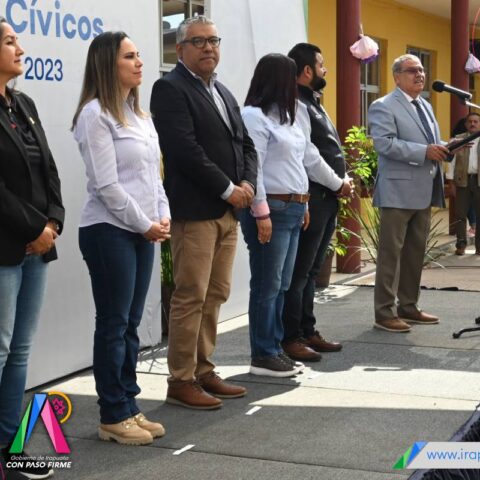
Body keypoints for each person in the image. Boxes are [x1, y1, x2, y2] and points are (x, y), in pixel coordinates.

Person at [150, 16, 257, 410]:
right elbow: (184, 150)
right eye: (198, 41)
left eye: (213, 40)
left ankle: (203, 369)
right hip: (195, 212)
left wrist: (247, 183)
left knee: (216, 294)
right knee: (190, 296)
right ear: (179, 49)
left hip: (228, 212)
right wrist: (229, 189)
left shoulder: (223, 91)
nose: (209, 47)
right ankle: (180, 380)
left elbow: (246, 145)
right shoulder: (170, 88)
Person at [72, 31, 170, 445]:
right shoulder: (94, 114)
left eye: (138, 55)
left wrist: (162, 215)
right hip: (109, 231)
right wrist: (145, 223)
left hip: (142, 230)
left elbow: (154, 178)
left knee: (130, 323)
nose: (139, 62)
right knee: (113, 324)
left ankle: (129, 405)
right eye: (130, 56)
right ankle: (112, 415)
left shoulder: (141, 116)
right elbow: (107, 186)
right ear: (107, 64)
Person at [241, 53, 350, 377]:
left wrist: (305, 202)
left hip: (294, 207)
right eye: (290, 79)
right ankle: (263, 354)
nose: (295, 85)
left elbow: (305, 160)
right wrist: (260, 212)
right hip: (271, 209)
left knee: (282, 284)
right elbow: (255, 168)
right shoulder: (254, 116)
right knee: (267, 285)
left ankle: (275, 348)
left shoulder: (289, 117)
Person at [0, 16, 64, 480]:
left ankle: (9, 445)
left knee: (20, 351)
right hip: (6, 247)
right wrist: (32, 227)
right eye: (9, 41)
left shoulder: (24, 103)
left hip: (38, 246)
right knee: (0, 350)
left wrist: (53, 222)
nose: (20, 48)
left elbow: (49, 170)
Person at [368, 54, 448, 333]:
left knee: (415, 253)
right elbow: (384, 144)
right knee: (391, 254)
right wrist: (425, 151)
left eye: (422, 70)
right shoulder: (383, 105)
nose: (420, 75)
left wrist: (450, 146)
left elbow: (429, 143)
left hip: (423, 189)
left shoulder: (424, 105)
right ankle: (384, 312)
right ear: (397, 76)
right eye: (413, 70)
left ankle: (408, 306)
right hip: (397, 190)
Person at [281, 42, 348, 362]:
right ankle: (291, 336)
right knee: (300, 273)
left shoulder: (312, 102)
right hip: (314, 197)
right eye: (322, 65)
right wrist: (338, 182)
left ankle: (307, 330)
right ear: (307, 70)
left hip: (327, 198)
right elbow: (308, 156)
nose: (325, 70)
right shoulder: (296, 104)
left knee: (311, 271)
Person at [446, 112, 480, 255]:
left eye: (476, 121)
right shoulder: (458, 140)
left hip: (479, 181)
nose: (473, 124)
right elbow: (451, 162)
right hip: (462, 180)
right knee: (460, 214)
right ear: (466, 124)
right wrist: (450, 182)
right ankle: (461, 245)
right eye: (470, 121)